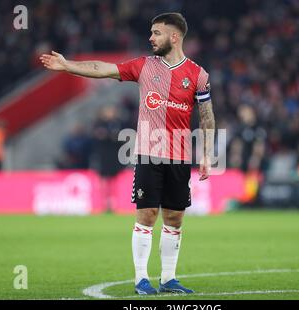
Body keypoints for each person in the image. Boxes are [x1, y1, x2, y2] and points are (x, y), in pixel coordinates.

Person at [40, 12, 215, 295]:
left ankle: (169, 279)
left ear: (174, 36)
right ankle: (141, 279)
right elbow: (102, 68)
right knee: (146, 214)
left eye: (156, 32)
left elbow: (207, 116)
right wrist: (67, 65)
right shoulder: (144, 66)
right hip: (149, 153)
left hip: (181, 157)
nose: (151, 37)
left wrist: (207, 153)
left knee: (175, 218)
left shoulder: (198, 74)